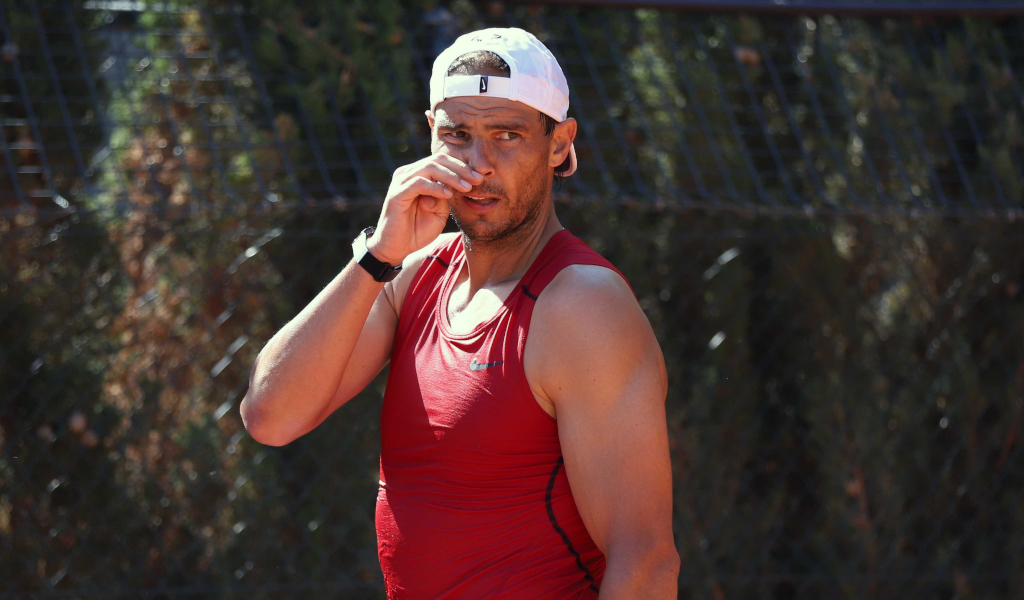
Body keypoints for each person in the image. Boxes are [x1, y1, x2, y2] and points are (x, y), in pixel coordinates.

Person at [241, 27, 678, 599]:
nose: (479, 164)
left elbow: (645, 562)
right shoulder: (412, 272)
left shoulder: (580, 306)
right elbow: (271, 415)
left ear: (558, 143)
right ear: (430, 135)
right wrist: (378, 255)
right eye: (458, 135)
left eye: (507, 136)